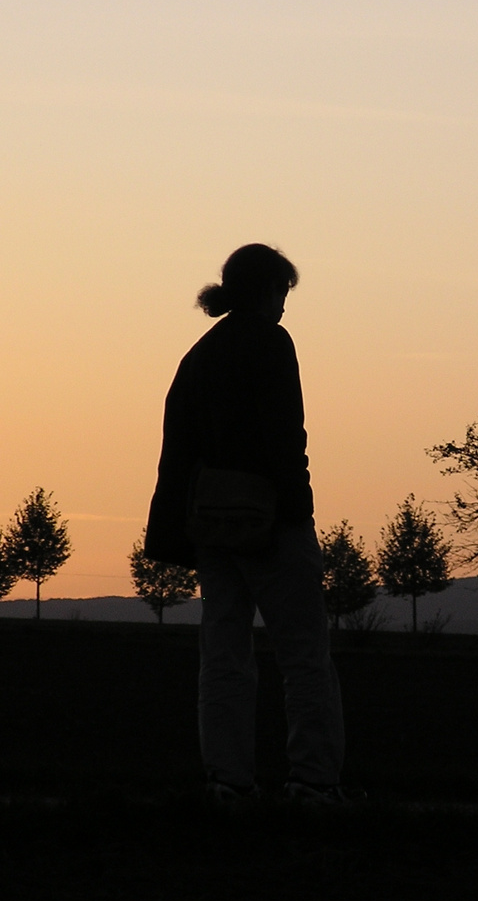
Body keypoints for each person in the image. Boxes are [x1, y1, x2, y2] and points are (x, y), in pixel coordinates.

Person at [144, 244, 351, 806]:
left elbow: (176, 451)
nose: (286, 306)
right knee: (305, 656)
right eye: (283, 292)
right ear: (267, 290)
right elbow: (288, 438)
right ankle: (314, 782)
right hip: (271, 522)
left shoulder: (200, 354)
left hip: (212, 526)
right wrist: (298, 512)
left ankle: (227, 781)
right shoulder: (270, 342)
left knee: (224, 655)